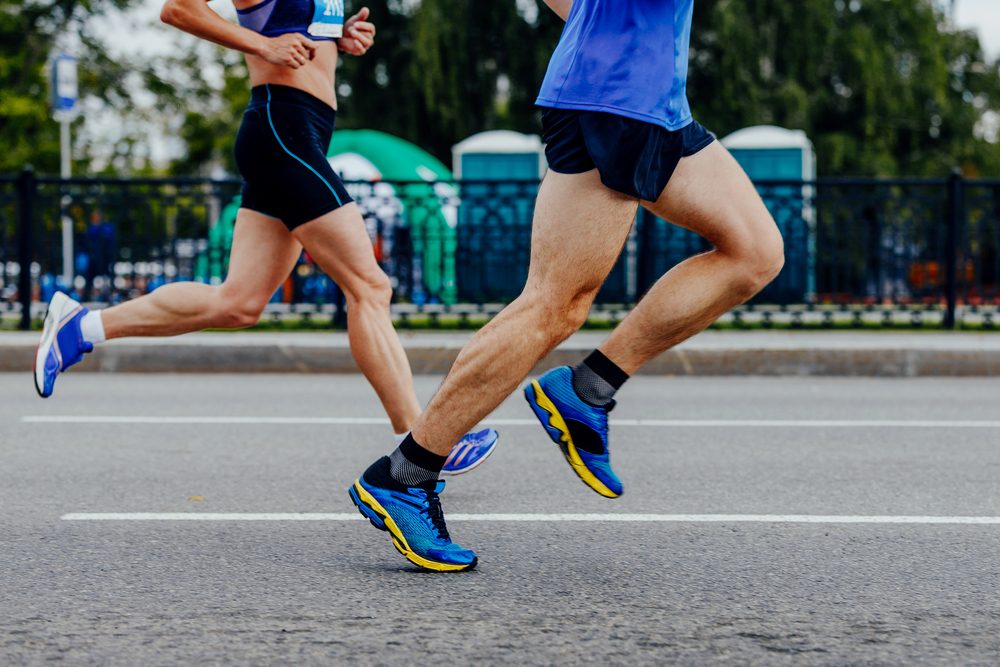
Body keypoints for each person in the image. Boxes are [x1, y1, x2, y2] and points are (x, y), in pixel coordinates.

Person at [348, 0, 784, 572]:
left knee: (755, 252)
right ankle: (405, 473)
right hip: (618, 99)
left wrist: (596, 27)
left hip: (649, 98)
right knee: (552, 308)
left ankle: (589, 390)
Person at [33, 0, 498, 475]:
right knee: (369, 286)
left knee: (238, 302)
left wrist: (338, 36)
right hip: (283, 129)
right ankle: (417, 443)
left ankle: (82, 327)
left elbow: (297, 30)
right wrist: (265, 45)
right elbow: (179, 10)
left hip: (300, 131)